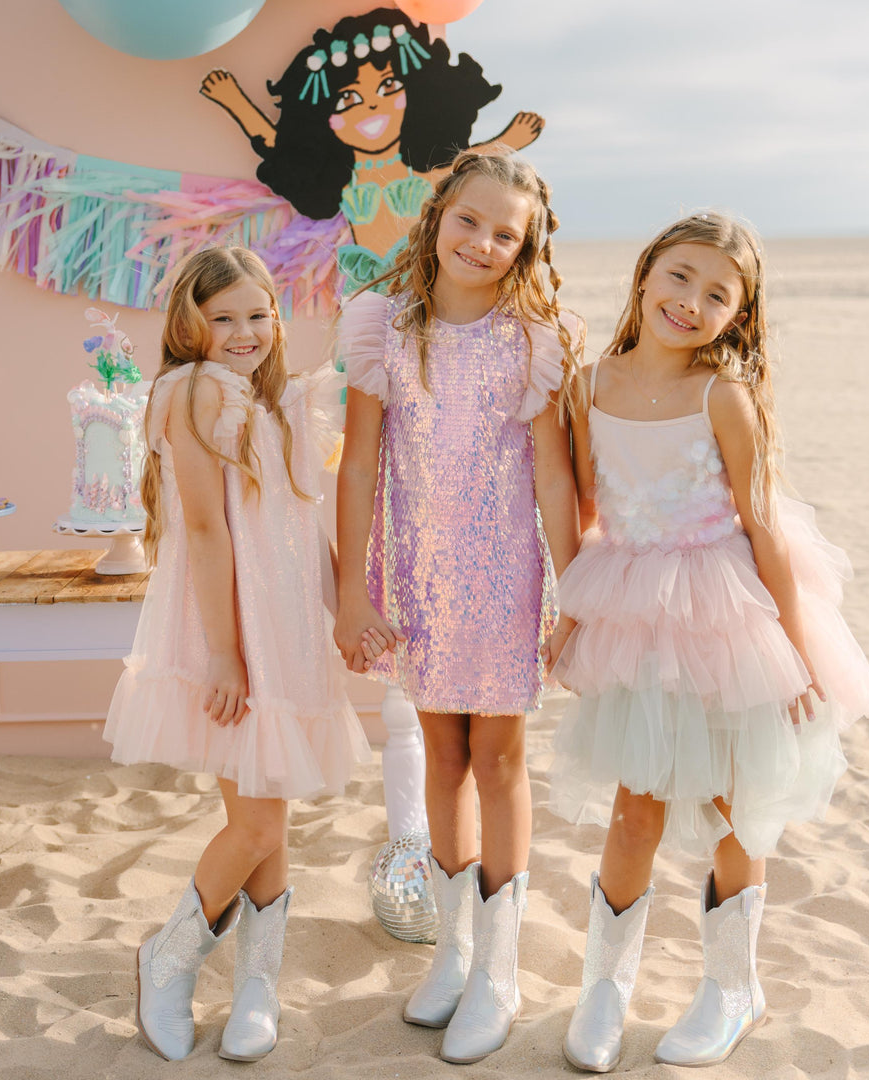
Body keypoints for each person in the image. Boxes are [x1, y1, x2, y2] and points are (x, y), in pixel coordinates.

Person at [547, 214, 869, 1071]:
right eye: (681, 277)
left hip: (726, 615)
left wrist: (797, 653)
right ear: (647, 273)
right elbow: (588, 511)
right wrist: (575, 615)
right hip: (635, 611)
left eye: (717, 294)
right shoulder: (590, 385)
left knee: (738, 806)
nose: (691, 302)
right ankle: (604, 988)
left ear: (740, 313)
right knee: (634, 810)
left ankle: (733, 988)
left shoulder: (722, 395)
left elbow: (764, 530)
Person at [335, 149, 582, 1063]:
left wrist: (577, 592)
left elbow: (554, 476)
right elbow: (359, 463)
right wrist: (352, 589)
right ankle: (456, 950)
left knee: (499, 755)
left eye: (505, 234)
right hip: (422, 579)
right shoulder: (384, 328)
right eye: (470, 220)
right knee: (440, 751)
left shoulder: (534, 340)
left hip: (507, 576)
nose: (483, 242)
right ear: (438, 215)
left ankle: (502, 971)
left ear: (525, 249)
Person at [103, 246, 370, 1062]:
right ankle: (169, 955)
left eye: (258, 314)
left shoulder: (281, 401)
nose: (244, 331)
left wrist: (343, 610)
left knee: (271, 808)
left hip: (286, 631)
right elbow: (211, 530)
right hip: (233, 629)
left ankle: (259, 984)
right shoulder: (190, 394)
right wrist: (225, 655)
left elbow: (296, 526)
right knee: (255, 822)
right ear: (190, 325)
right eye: (222, 318)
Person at [199, 7, 543, 293]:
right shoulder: (344, 180)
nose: (372, 107)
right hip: (366, 286)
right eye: (349, 98)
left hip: (424, 285)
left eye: (388, 86)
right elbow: (281, 145)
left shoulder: (424, 174)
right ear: (323, 118)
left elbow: (467, 162)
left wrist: (510, 139)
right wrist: (236, 103)